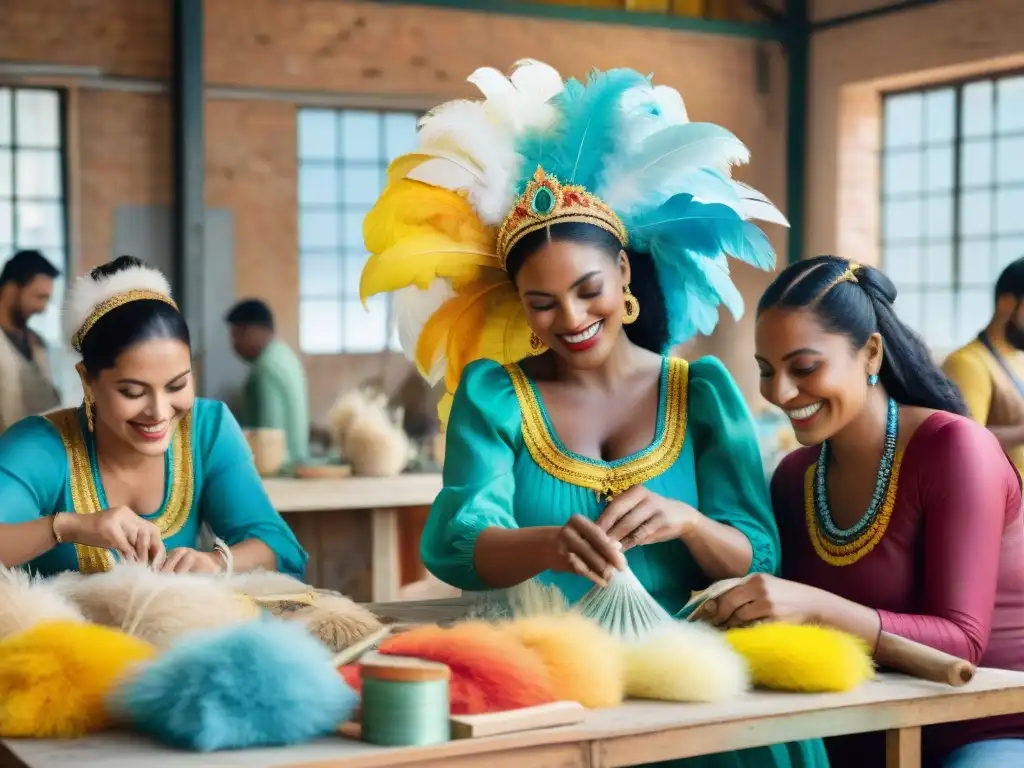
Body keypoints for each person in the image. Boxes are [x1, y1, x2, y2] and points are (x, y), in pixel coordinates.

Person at [359, 60, 828, 768]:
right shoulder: (495, 396)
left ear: (626, 275)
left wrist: (691, 523)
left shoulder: (698, 391)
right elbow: (455, 545)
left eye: (589, 290)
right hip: (552, 689)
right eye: (543, 304)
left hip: (695, 685)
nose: (572, 319)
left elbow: (758, 556)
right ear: (520, 306)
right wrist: (549, 545)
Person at [720, 255, 1024, 768]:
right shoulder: (794, 476)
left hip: (984, 724)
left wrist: (815, 607)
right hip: (858, 722)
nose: (779, 393)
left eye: (805, 367)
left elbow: (962, 643)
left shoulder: (954, 448)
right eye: (767, 371)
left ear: (871, 353)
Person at [0, 256, 307, 579]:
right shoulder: (41, 444)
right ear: (87, 379)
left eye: (177, 385)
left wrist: (215, 562)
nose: (159, 412)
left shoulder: (207, 429)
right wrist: (69, 526)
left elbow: (280, 548)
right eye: (132, 392)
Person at [942, 257, 1024, 473]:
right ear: (1007, 303)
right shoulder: (967, 363)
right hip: (1003, 500)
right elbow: (964, 443)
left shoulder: (1017, 357)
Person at [226, 298, 310, 468]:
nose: (234, 344)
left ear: (256, 330)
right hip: (295, 461)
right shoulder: (284, 355)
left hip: (279, 469)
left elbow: (268, 435)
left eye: (238, 335)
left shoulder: (267, 368)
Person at [0, 249, 62, 430]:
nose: (42, 308)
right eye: (38, 297)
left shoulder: (38, 343)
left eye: (47, 299)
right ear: (11, 289)